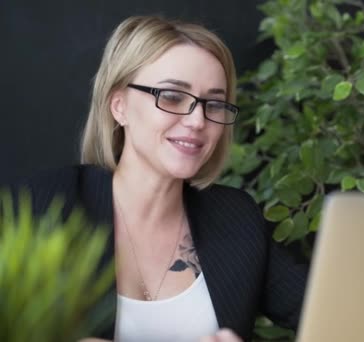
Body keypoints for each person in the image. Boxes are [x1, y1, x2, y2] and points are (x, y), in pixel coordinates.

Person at [4, 15, 307, 341]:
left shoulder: (236, 219)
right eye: (173, 97)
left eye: (215, 104)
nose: (197, 120)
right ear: (118, 106)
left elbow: (340, 318)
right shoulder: (42, 205)